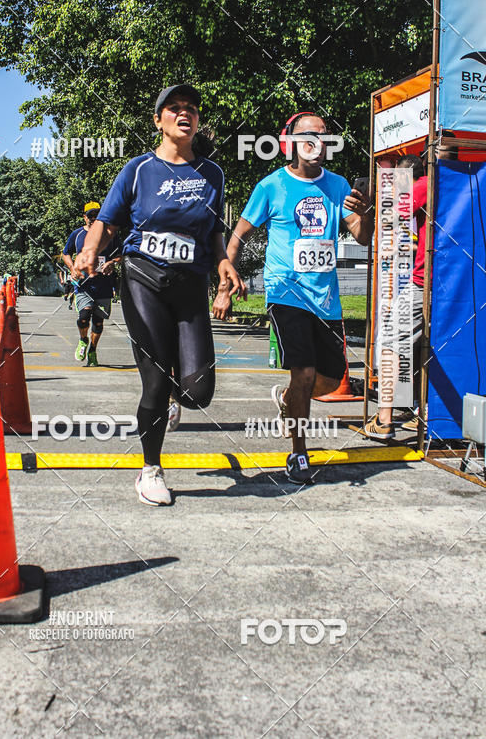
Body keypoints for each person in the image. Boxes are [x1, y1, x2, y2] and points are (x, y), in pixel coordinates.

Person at [74, 84, 245, 505]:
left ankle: (174, 393)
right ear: (159, 120)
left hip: (190, 284)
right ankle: (150, 469)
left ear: (197, 121)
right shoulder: (137, 170)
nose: (183, 114)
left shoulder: (213, 174)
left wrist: (223, 263)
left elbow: (214, 233)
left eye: (191, 109)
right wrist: (90, 250)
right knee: (154, 379)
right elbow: (109, 221)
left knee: (196, 392)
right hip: (142, 277)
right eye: (174, 108)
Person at [224, 112, 374, 483]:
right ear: (289, 142)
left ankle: (288, 399)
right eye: (309, 135)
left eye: (324, 136)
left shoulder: (338, 186)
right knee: (304, 372)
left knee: (327, 381)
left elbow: (363, 237)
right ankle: (299, 453)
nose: (318, 141)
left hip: (326, 298)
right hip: (285, 291)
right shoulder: (271, 186)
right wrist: (225, 284)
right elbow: (239, 235)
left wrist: (366, 212)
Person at [363, 154, 427, 439]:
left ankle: (384, 419)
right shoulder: (454, 183)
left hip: (422, 280)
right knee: (426, 347)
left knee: (390, 339)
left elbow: (394, 215)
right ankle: (423, 413)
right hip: (446, 281)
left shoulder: (424, 185)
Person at [62, 202, 121, 366]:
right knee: (83, 318)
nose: (93, 219)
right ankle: (83, 340)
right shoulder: (77, 234)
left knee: (98, 323)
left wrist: (113, 263)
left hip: (104, 285)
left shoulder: (110, 235)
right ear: (84, 217)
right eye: (90, 215)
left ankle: (93, 350)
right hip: (83, 285)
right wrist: (72, 267)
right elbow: (65, 253)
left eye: (97, 215)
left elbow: (121, 254)